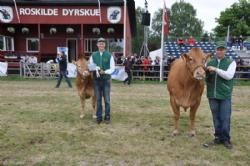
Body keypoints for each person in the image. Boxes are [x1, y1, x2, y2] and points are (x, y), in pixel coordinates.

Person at [203, 41, 236, 149]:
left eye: (222, 49)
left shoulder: (231, 62)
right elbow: (204, 77)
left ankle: (226, 139)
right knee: (216, 118)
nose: (220, 51)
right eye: (218, 49)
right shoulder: (210, 62)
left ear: (225, 51)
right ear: (215, 50)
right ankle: (218, 138)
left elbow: (229, 76)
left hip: (225, 94)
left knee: (225, 117)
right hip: (212, 94)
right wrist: (206, 73)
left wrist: (215, 69)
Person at [89, 37, 115, 124]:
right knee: (98, 100)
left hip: (106, 81)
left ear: (105, 45)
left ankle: (107, 117)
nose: (101, 45)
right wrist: (89, 70)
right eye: (99, 43)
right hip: (96, 81)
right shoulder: (93, 55)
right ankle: (99, 117)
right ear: (97, 45)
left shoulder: (109, 55)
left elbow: (113, 68)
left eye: (103, 43)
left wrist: (105, 71)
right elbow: (91, 66)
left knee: (107, 100)